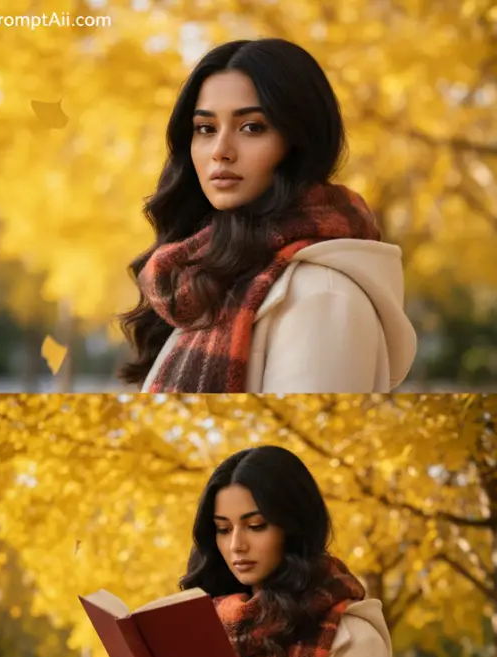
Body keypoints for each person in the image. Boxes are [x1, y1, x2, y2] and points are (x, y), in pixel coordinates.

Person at [116, 38, 417, 393]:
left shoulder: (322, 298)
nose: (220, 151)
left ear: (299, 141)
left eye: (252, 127)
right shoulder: (213, 278)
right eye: (206, 129)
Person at [128, 444, 395, 657]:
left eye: (255, 526)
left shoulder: (352, 636)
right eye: (223, 529)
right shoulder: (208, 626)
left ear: (294, 528)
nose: (237, 545)